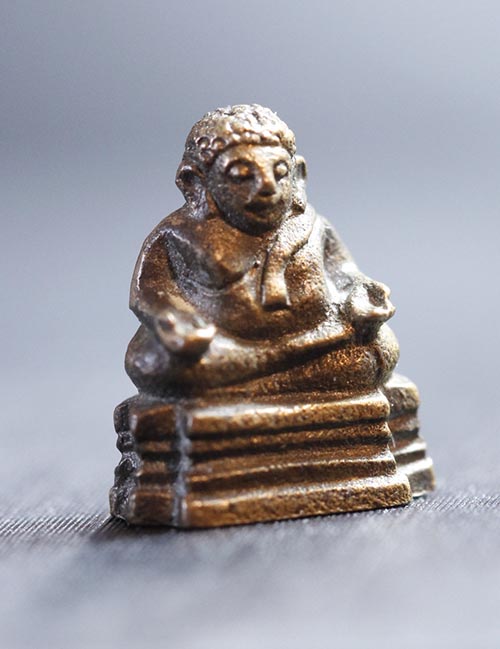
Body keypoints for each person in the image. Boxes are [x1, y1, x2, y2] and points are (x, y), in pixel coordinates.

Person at [125, 104, 398, 398]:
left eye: (279, 173)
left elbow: (344, 273)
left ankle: (251, 383)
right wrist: (174, 319)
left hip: (318, 337)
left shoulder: (313, 226)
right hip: (224, 344)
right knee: (161, 365)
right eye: (242, 175)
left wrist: (362, 294)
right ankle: (278, 378)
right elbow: (149, 291)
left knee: (375, 349)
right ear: (197, 183)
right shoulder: (179, 233)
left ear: (298, 176)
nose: (267, 186)